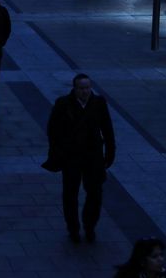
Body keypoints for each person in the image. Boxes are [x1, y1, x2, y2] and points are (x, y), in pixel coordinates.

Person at [45, 74, 115, 243]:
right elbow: (52, 130)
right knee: (70, 194)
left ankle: (89, 225)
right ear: (75, 88)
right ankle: (73, 228)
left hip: (93, 156)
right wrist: (58, 151)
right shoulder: (63, 104)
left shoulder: (99, 103)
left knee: (95, 194)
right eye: (81, 88)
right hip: (71, 157)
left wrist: (110, 152)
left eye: (87, 88)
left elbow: (107, 128)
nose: (85, 91)